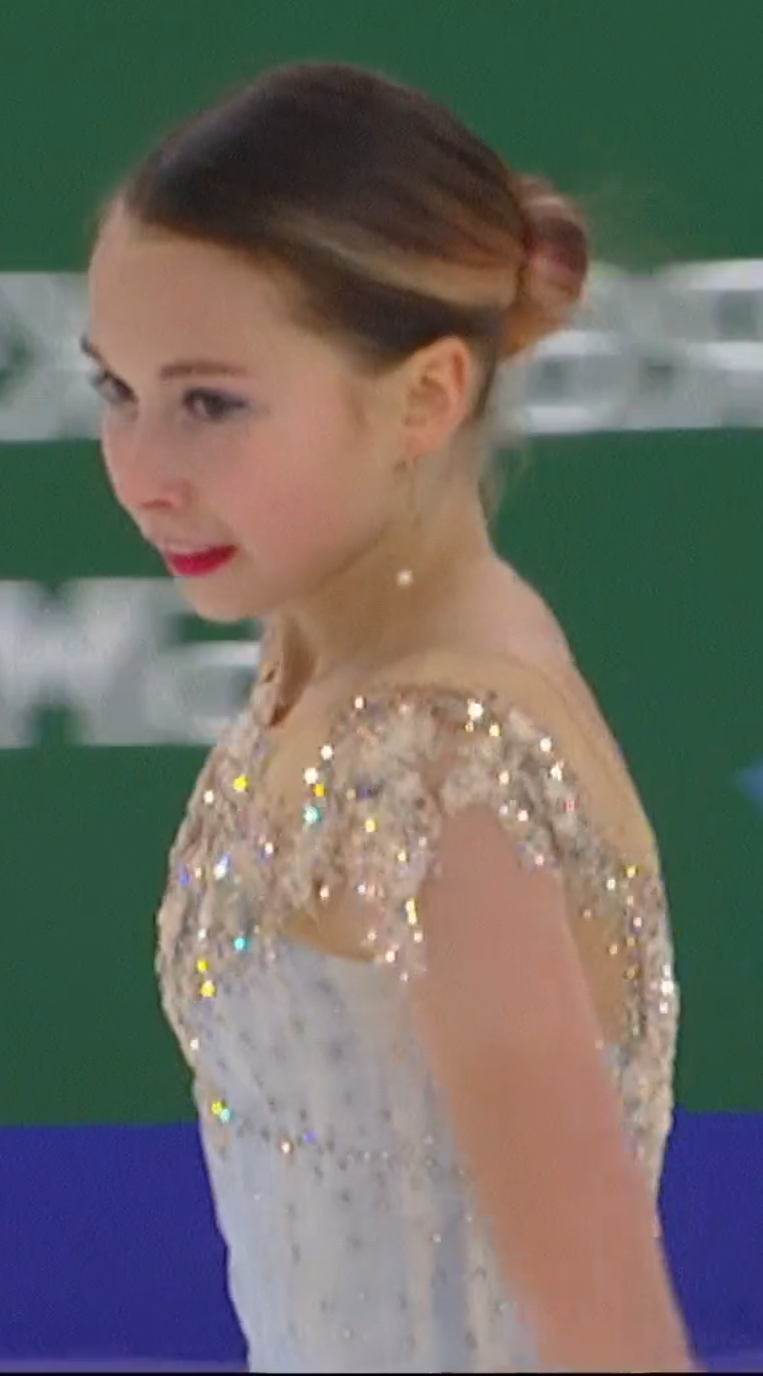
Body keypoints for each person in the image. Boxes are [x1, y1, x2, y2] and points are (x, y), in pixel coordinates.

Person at [84, 61, 697, 1374]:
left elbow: (613, 1342)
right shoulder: (332, 651)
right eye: (116, 391)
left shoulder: (435, 765)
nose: (140, 472)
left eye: (209, 403)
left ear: (424, 397)